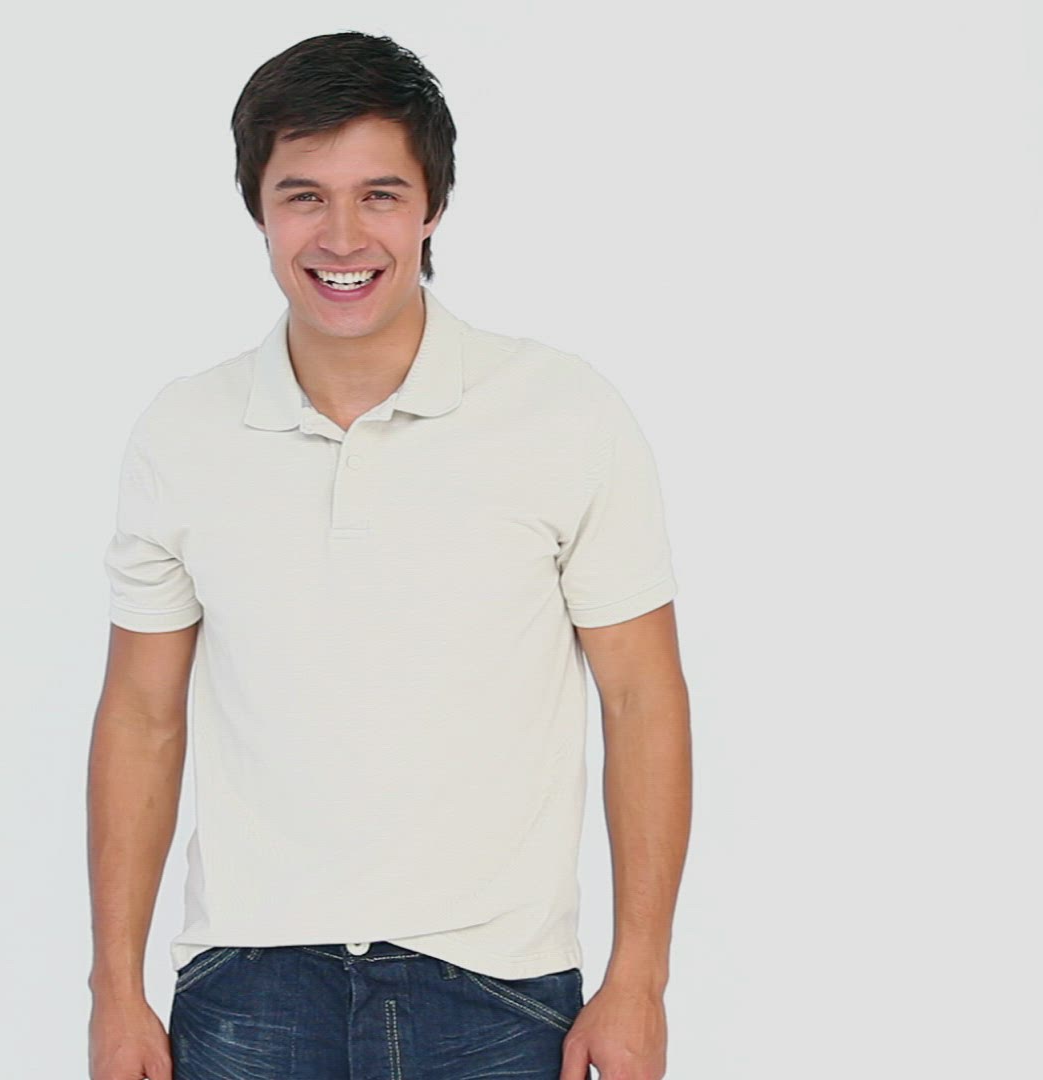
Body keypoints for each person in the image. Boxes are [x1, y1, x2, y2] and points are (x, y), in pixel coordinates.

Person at [86, 30, 691, 1080]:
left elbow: (642, 698)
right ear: (259, 207)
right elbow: (141, 713)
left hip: (495, 987)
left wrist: (639, 979)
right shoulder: (183, 433)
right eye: (303, 195)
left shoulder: (561, 413)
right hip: (247, 987)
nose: (342, 235)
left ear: (432, 206)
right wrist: (114, 991)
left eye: (379, 194)